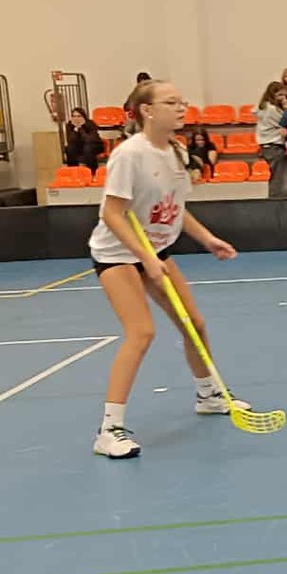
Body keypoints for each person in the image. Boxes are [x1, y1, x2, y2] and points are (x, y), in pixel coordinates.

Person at [86, 80, 240, 459]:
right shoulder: (129, 155)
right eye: (171, 102)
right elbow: (111, 213)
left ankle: (208, 396)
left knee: (194, 323)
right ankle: (109, 430)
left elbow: (176, 208)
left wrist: (207, 239)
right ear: (147, 111)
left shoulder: (175, 151)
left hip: (156, 251)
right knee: (141, 332)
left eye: (181, 101)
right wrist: (145, 257)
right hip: (117, 254)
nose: (181, 107)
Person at [255, 82, 287, 198]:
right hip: (274, 146)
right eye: (279, 95)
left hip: (269, 146)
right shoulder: (272, 110)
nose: (283, 98)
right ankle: (277, 204)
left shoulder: (264, 107)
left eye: (284, 95)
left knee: (284, 178)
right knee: (280, 180)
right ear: (272, 95)